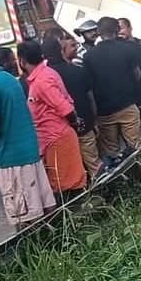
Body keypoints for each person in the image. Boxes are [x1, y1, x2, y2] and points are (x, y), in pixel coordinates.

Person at [0, 42, 55, 227]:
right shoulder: (9, 79)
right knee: (43, 208)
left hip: (10, 158)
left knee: (24, 216)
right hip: (29, 152)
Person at [18, 40, 87, 202]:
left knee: (67, 186)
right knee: (63, 184)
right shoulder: (45, 74)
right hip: (54, 139)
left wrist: (74, 122)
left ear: (22, 60)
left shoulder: (42, 81)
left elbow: (66, 109)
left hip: (57, 138)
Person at [42, 32, 102, 179]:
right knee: (95, 166)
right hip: (84, 127)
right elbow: (90, 98)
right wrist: (94, 120)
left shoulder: (43, 79)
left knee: (72, 172)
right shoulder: (77, 71)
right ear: (61, 50)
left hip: (61, 133)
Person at [83, 17, 141, 159]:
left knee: (111, 152)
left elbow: (90, 88)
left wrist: (95, 113)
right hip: (127, 104)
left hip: (104, 112)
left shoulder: (88, 57)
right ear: (117, 30)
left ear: (98, 32)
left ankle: (119, 178)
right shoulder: (128, 49)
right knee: (137, 147)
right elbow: (137, 74)